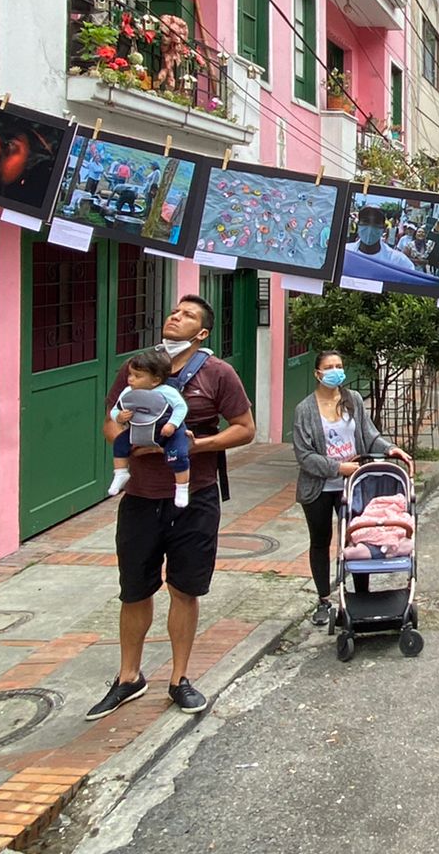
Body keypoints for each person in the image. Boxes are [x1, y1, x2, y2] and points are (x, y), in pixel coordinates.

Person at [87, 296, 254, 722]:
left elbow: (245, 429)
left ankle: (179, 679)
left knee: (184, 588)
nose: (175, 316)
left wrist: (200, 444)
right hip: (141, 496)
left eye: (188, 315)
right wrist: (125, 442)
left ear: (202, 333)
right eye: (174, 311)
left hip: (194, 495)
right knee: (135, 590)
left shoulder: (218, 374)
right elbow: (110, 422)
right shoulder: (137, 367)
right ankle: (128, 677)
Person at [292, 351, 408, 629]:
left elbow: (370, 435)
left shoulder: (353, 400)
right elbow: (304, 455)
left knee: (358, 539)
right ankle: (323, 599)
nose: (335, 371)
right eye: (329, 367)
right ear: (317, 373)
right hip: (319, 487)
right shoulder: (305, 409)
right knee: (320, 541)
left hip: (354, 484)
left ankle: (360, 598)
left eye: (339, 366)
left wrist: (390, 449)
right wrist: (336, 468)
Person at [107, 348, 192, 506]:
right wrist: (118, 417)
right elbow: (115, 409)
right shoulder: (128, 391)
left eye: (137, 376)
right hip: (140, 429)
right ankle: (120, 473)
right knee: (120, 443)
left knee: (179, 454)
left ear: (155, 380)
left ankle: (181, 488)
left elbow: (181, 407)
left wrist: (172, 425)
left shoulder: (167, 391)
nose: (131, 380)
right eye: (130, 375)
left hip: (167, 430)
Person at [345, 204, 416, 272]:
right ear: (358, 225)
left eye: (376, 222)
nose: (370, 227)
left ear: (384, 228)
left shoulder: (399, 261)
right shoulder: (345, 252)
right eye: (366, 221)